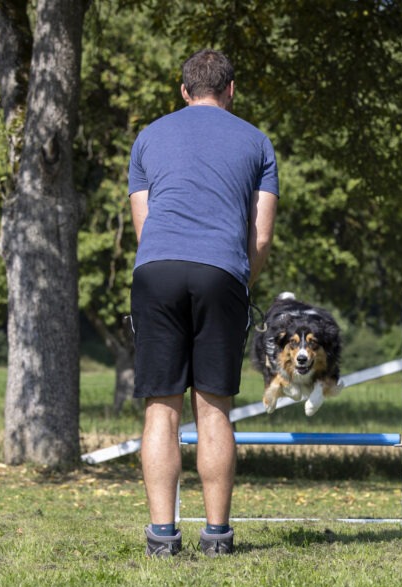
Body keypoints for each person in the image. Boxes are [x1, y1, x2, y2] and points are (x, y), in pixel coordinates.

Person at [127, 49, 279, 557]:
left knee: (161, 410)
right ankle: (216, 536)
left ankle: (161, 537)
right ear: (231, 90)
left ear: (184, 90)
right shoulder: (257, 142)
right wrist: (239, 281)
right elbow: (261, 237)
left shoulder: (148, 137)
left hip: (157, 271)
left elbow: (144, 226)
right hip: (221, 272)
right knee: (214, 411)